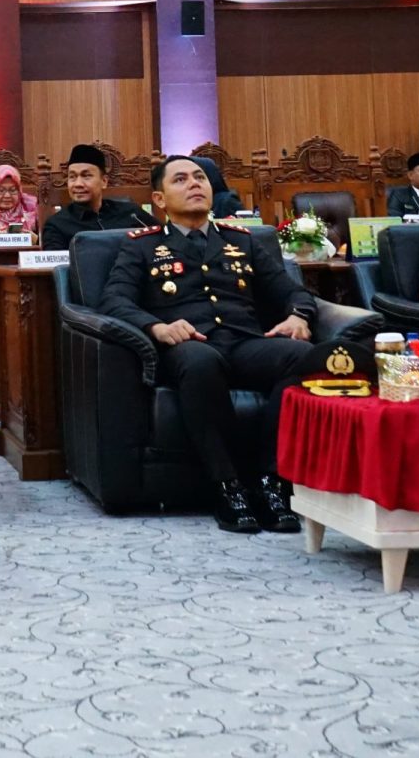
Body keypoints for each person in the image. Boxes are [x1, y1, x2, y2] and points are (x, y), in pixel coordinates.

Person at [96, 155, 320, 534]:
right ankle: (227, 486)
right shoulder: (142, 246)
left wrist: (299, 316)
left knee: (301, 356)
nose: (194, 184)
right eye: (180, 179)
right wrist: (157, 327)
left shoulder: (242, 240)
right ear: (159, 199)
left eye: (200, 177)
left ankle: (271, 481)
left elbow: (292, 292)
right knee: (201, 362)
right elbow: (114, 300)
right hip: (187, 346)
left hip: (245, 342)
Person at [42, 143, 154, 251]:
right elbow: (56, 262)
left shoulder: (131, 214)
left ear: (104, 181)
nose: (78, 184)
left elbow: (161, 239)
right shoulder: (56, 225)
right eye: (72, 177)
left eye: (86, 176)